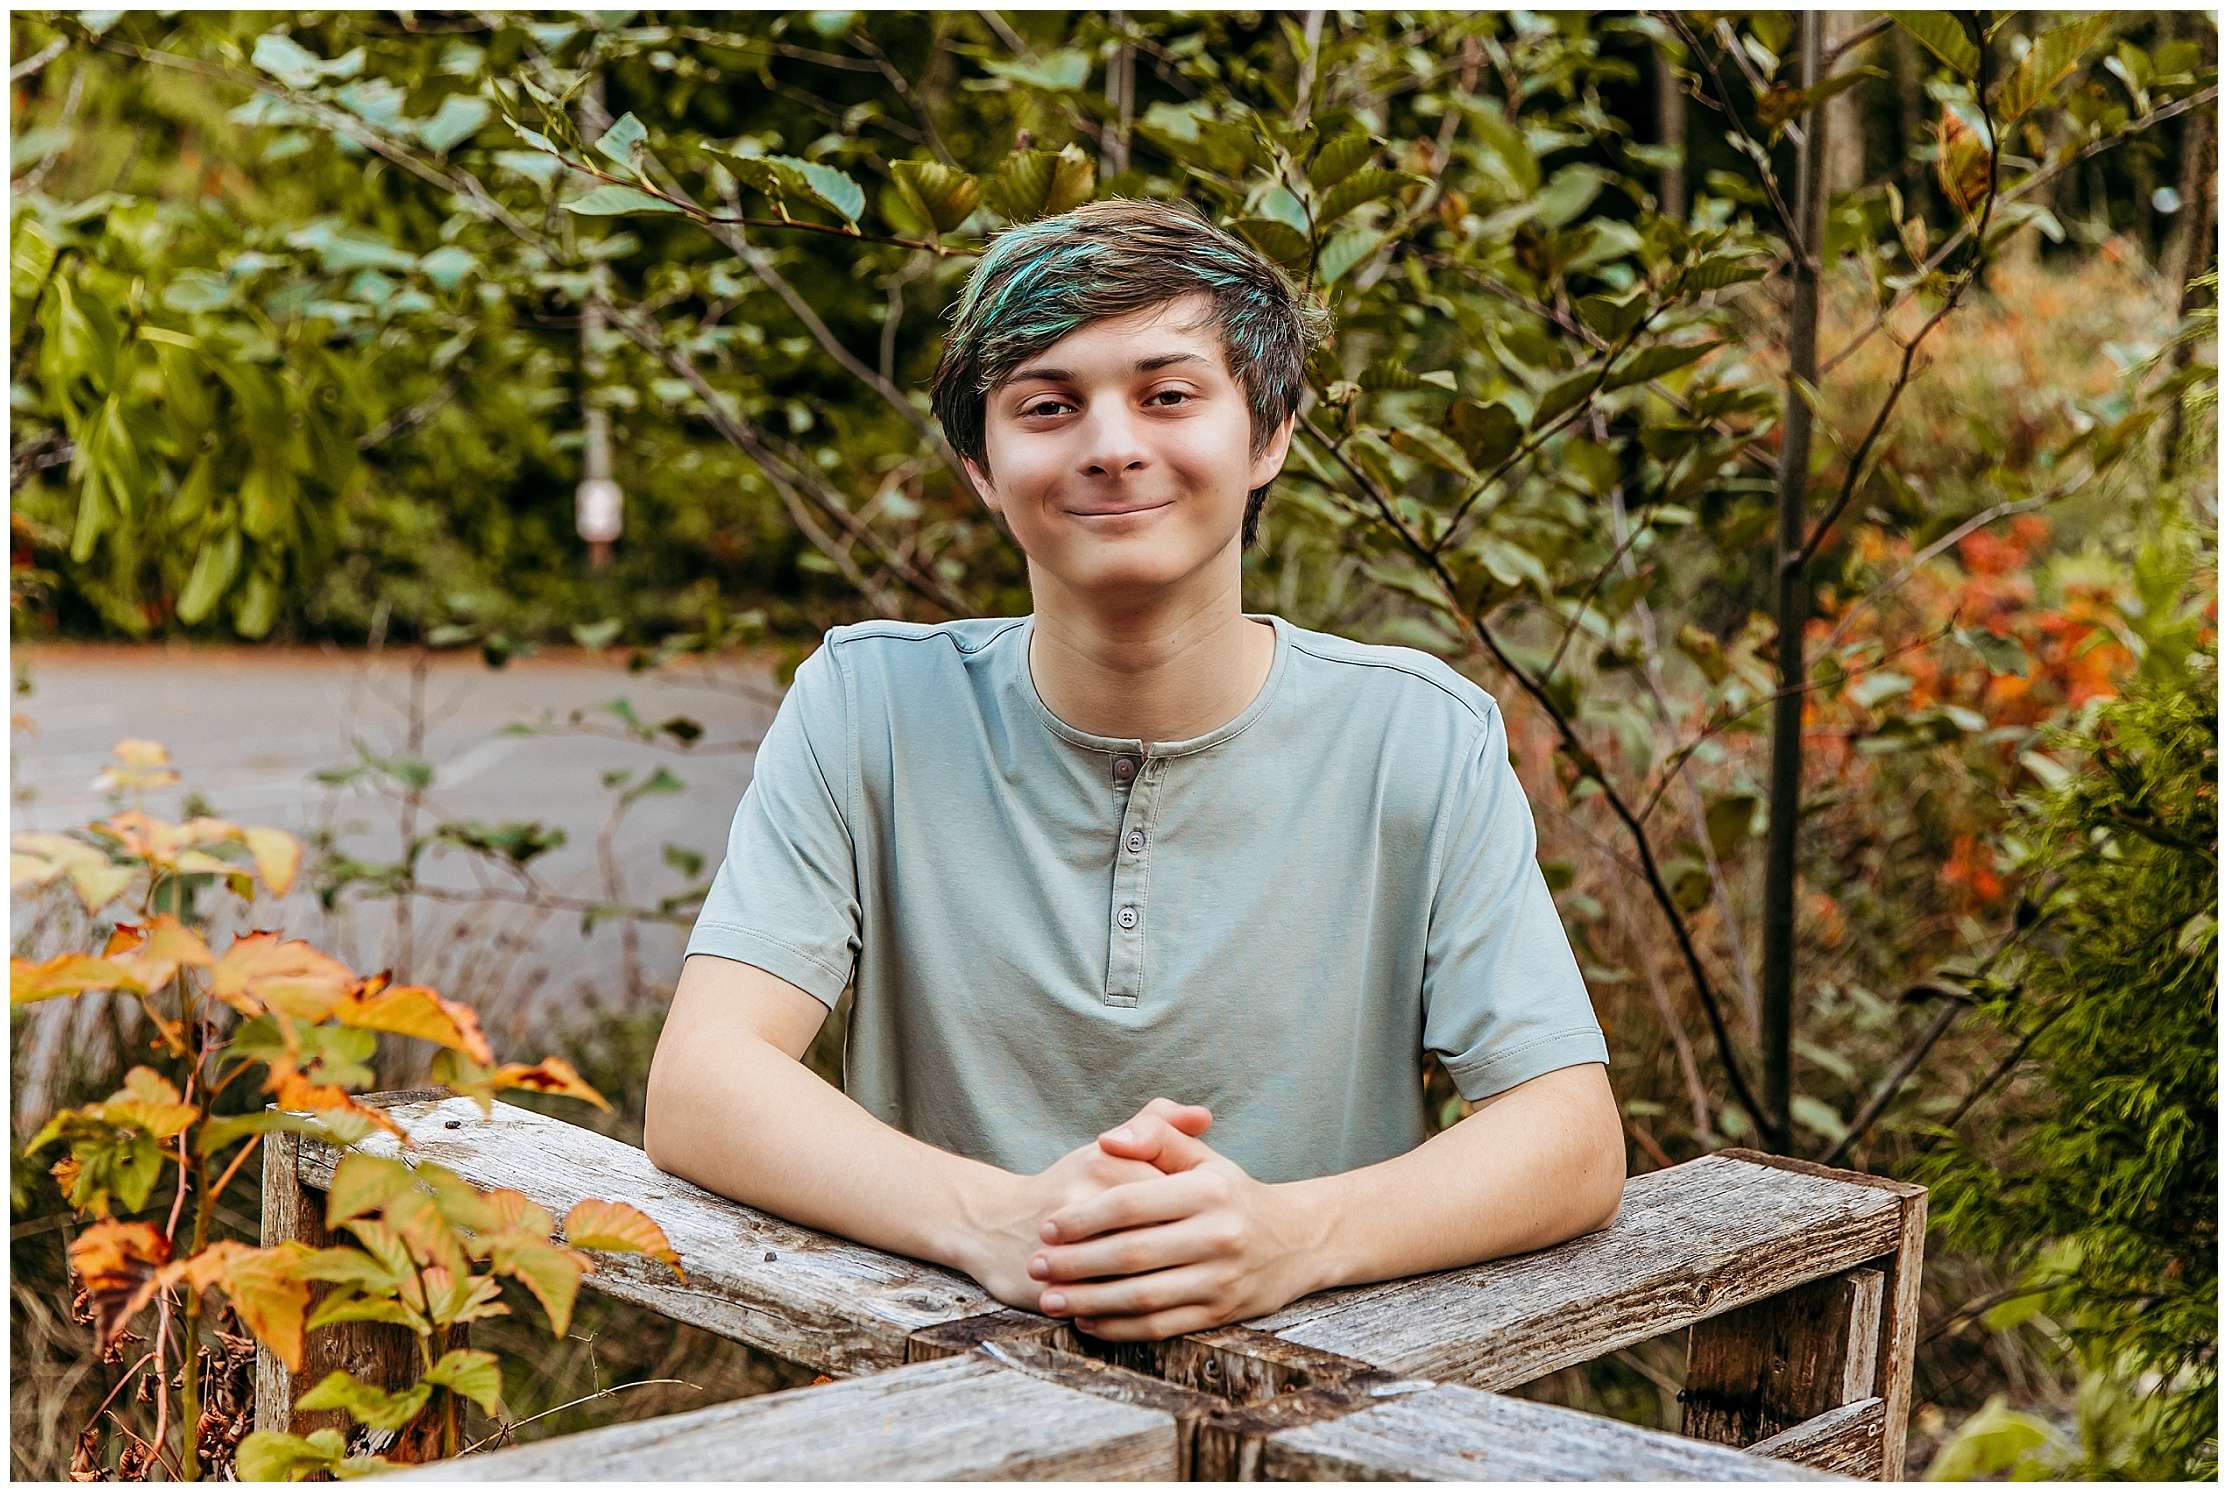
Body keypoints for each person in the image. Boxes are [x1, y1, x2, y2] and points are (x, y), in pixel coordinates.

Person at [644, 198, 1623, 1344]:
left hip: (1317, 1420)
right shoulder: (869, 707)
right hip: (940, 1416)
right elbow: (703, 1081)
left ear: (1268, 434)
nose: (1110, 446)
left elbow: (1569, 1131)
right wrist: (999, 1220)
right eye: (1046, 407)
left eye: (1167, 394)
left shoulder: (1416, 735)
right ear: (979, 463)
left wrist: (1286, 1236)